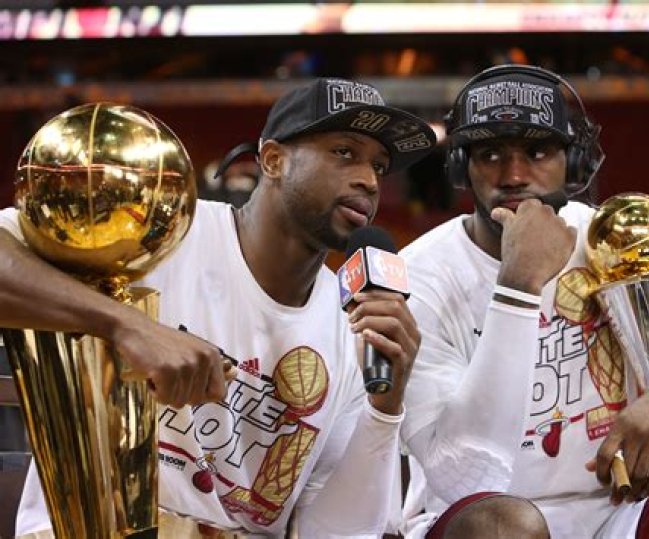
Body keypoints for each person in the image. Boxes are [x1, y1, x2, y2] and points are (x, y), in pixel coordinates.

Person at [2, 77, 437, 537]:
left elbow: (333, 533)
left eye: (379, 166)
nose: (369, 180)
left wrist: (386, 407)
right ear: (273, 160)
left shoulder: (353, 326)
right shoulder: (164, 231)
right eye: (345, 152)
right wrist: (128, 324)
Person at [398, 64, 649, 538]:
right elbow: (463, 478)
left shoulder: (624, 239)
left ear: (575, 163)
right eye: (490, 154)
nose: (514, 175)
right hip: (489, 517)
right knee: (509, 528)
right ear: (461, 167)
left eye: (538, 152)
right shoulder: (418, 276)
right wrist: (518, 286)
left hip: (623, 510)